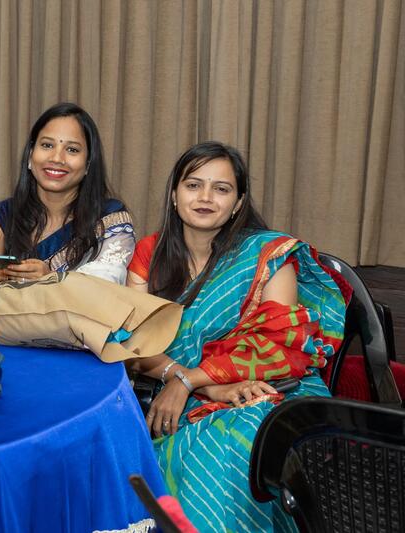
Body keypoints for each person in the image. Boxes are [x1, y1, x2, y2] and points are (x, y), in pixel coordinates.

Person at [126, 141, 348, 532]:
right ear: (174, 194)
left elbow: (277, 347)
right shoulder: (150, 253)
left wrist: (188, 381)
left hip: (275, 387)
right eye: (193, 185)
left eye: (221, 188)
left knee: (241, 434)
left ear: (238, 202)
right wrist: (202, 385)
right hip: (182, 391)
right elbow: (133, 345)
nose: (205, 197)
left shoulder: (267, 255)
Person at [0, 102, 134, 285]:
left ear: (88, 164)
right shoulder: (4, 215)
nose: (56, 158)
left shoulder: (110, 219)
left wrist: (52, 280)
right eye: (47, 145)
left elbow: (104, 289)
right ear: (30, 155)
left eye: (72, 149)